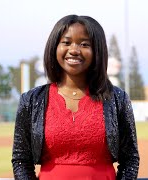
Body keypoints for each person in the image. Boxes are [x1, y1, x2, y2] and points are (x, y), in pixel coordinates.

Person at [12, 14, 140, 180]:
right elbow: (21, 159)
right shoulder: (31, 100)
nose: (74, 50)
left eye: (84, 44)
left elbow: (130, 159)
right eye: (66, 42)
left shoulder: (117, 98)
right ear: (54, 47)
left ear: (97, 50)